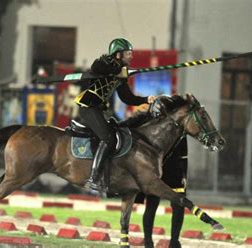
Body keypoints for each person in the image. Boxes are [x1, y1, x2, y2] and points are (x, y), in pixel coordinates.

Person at [75, 38, 156, 191]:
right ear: (118, 55)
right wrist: (119, 70)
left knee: (119, 134)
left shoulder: (121, 75)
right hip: (88, 106)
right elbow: (97, 67)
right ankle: (93, 177)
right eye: (128, 53)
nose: (131, 56)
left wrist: (146, 99)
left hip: (100, 110)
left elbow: (127, 98)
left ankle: (110, 174)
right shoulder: (104, 63)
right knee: (109, 138)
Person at [134, 136, 188, 248]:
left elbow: (184, 156)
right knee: (151, 206)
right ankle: (148, 242)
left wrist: (184, 176)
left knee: (179, 207)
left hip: (175, 174)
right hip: (157, 173)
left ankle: (174, 242)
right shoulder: (157, 126)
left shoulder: (181, 133)